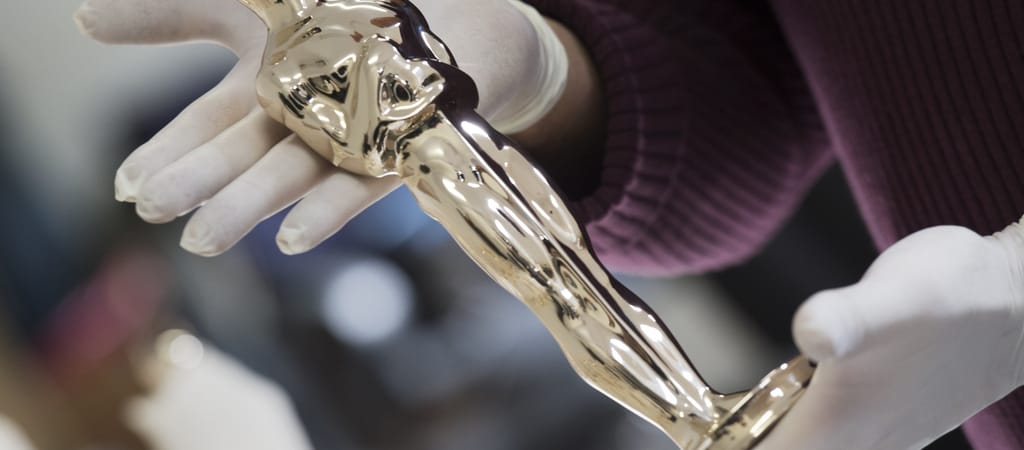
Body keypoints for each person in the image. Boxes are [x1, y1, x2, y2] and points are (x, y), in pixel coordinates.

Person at [75, 0, 1024, 448]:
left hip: (460, 160)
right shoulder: (306, 55)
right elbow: (757, 87)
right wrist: (548, 76)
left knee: (568, 284)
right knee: (568, 291)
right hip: (458, 161)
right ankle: (695, 417)